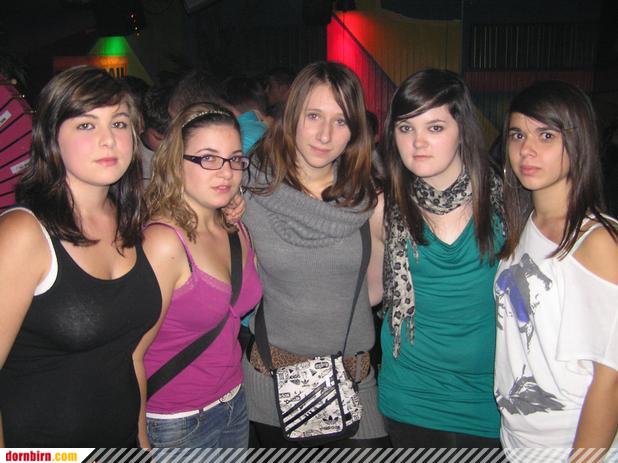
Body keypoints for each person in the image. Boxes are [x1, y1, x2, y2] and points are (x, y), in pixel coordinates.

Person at [0, 65, 161, 447]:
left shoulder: (129, 220)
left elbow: (129, 358)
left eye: (119, 124)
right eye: (86, 125)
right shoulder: (24, 233)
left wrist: (142, 445)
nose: (108, 140)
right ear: (51, 137)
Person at [241, 61, 388, 447]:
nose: (325, 135)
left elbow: (374, 292)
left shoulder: (370, 197)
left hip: (352, 381)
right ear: (292, 116)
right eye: (313, 116)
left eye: (340, 121)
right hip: (273, 383)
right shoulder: (250, 193)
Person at [374, 69, 505, 448]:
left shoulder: (505, 202)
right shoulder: (382, 208)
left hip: (490, 400)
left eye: (434, 127)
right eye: (405, 128)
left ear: (462, 130)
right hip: (410, 400)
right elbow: (368, 294)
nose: (417, 142)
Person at [494, 80, 618, 461]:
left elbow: (611, 378)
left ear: (578, 143)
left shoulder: (597, 242)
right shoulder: (523, 226)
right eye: (517, 134)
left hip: (571, 444)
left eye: (546, 135)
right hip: (518, 440)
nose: (526, 149)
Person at [139, 102, 262, 448]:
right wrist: (138, 438)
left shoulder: (234, 227)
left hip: (234, 401)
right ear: (175, 162)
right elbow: (129, 352)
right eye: (208, 158)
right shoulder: (163, 242)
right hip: (175, 421)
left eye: (234, 159)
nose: (226, 172)